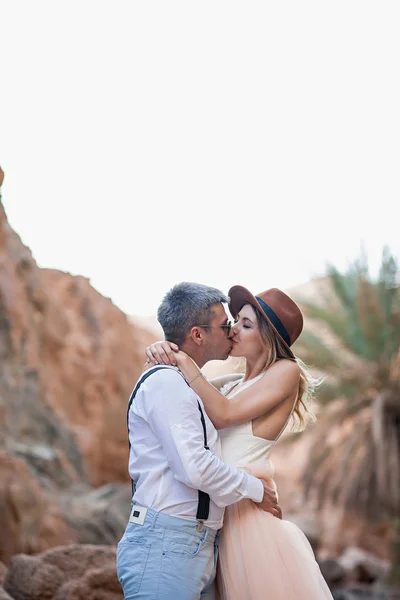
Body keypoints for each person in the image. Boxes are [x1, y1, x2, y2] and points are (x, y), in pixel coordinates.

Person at [146, 285, 334, 600]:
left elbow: (223, 414)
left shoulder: (285, 372)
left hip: (247, 516)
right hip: (218, 508)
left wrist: (182, 360)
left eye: (246, 325)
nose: (233, 330)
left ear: (268, 339)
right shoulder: (235, 383)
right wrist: (162, 349)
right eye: (236, 321)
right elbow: (182, 385)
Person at [116, 283, 281, 600]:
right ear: (197, 335)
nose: (231, 331)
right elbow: (195, 468)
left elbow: (243, 387)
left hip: (193, 544)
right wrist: (257, 489)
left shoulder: (187, 384)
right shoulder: (166, 383)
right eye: (225, 325)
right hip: (166, 544)